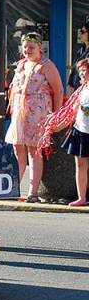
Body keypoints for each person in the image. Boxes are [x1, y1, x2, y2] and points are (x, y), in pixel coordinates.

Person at [6, 32, 63, 203]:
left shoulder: (46, 66)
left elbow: (58, 90)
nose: (27, 50)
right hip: (20, 111)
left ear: (40, 48)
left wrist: (56, 114)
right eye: (25, 47)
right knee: (18, 148)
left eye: (31, 47)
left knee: (34, 150)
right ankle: (13, 189)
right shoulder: (21, 65)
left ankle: (33, 192)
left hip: (38, 113)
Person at [56, 59, 89, 206]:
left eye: (85, 70)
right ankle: (81, 198)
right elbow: (72, 112)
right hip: (81, 130)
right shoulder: (81, 90)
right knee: (80, 165)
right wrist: (53, 127)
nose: (82, 73)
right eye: (80, 70)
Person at [69, 21, 89, 91]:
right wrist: (71, 83)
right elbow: (75, 67)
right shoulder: (80, 50)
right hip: (77, 88)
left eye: (83, 32)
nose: (80, 34)